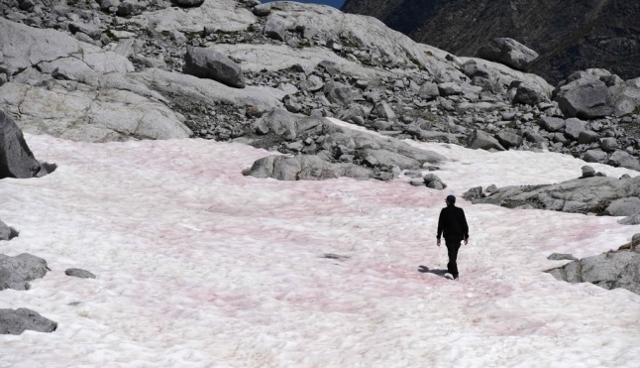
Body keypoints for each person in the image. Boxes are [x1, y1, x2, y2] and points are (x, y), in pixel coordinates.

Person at [436, 195, 469, 280]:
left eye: (446, 200)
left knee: (452, 255)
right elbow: (464, 224)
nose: (445, 202)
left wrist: (438, 237)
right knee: (453, 254)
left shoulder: (444, 211)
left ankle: (455, 274)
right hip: (458, 237)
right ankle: (450, 268)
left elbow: (440, 225)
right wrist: (466, 236)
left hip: (449, 237)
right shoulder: (460, 210)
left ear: (448, 201)